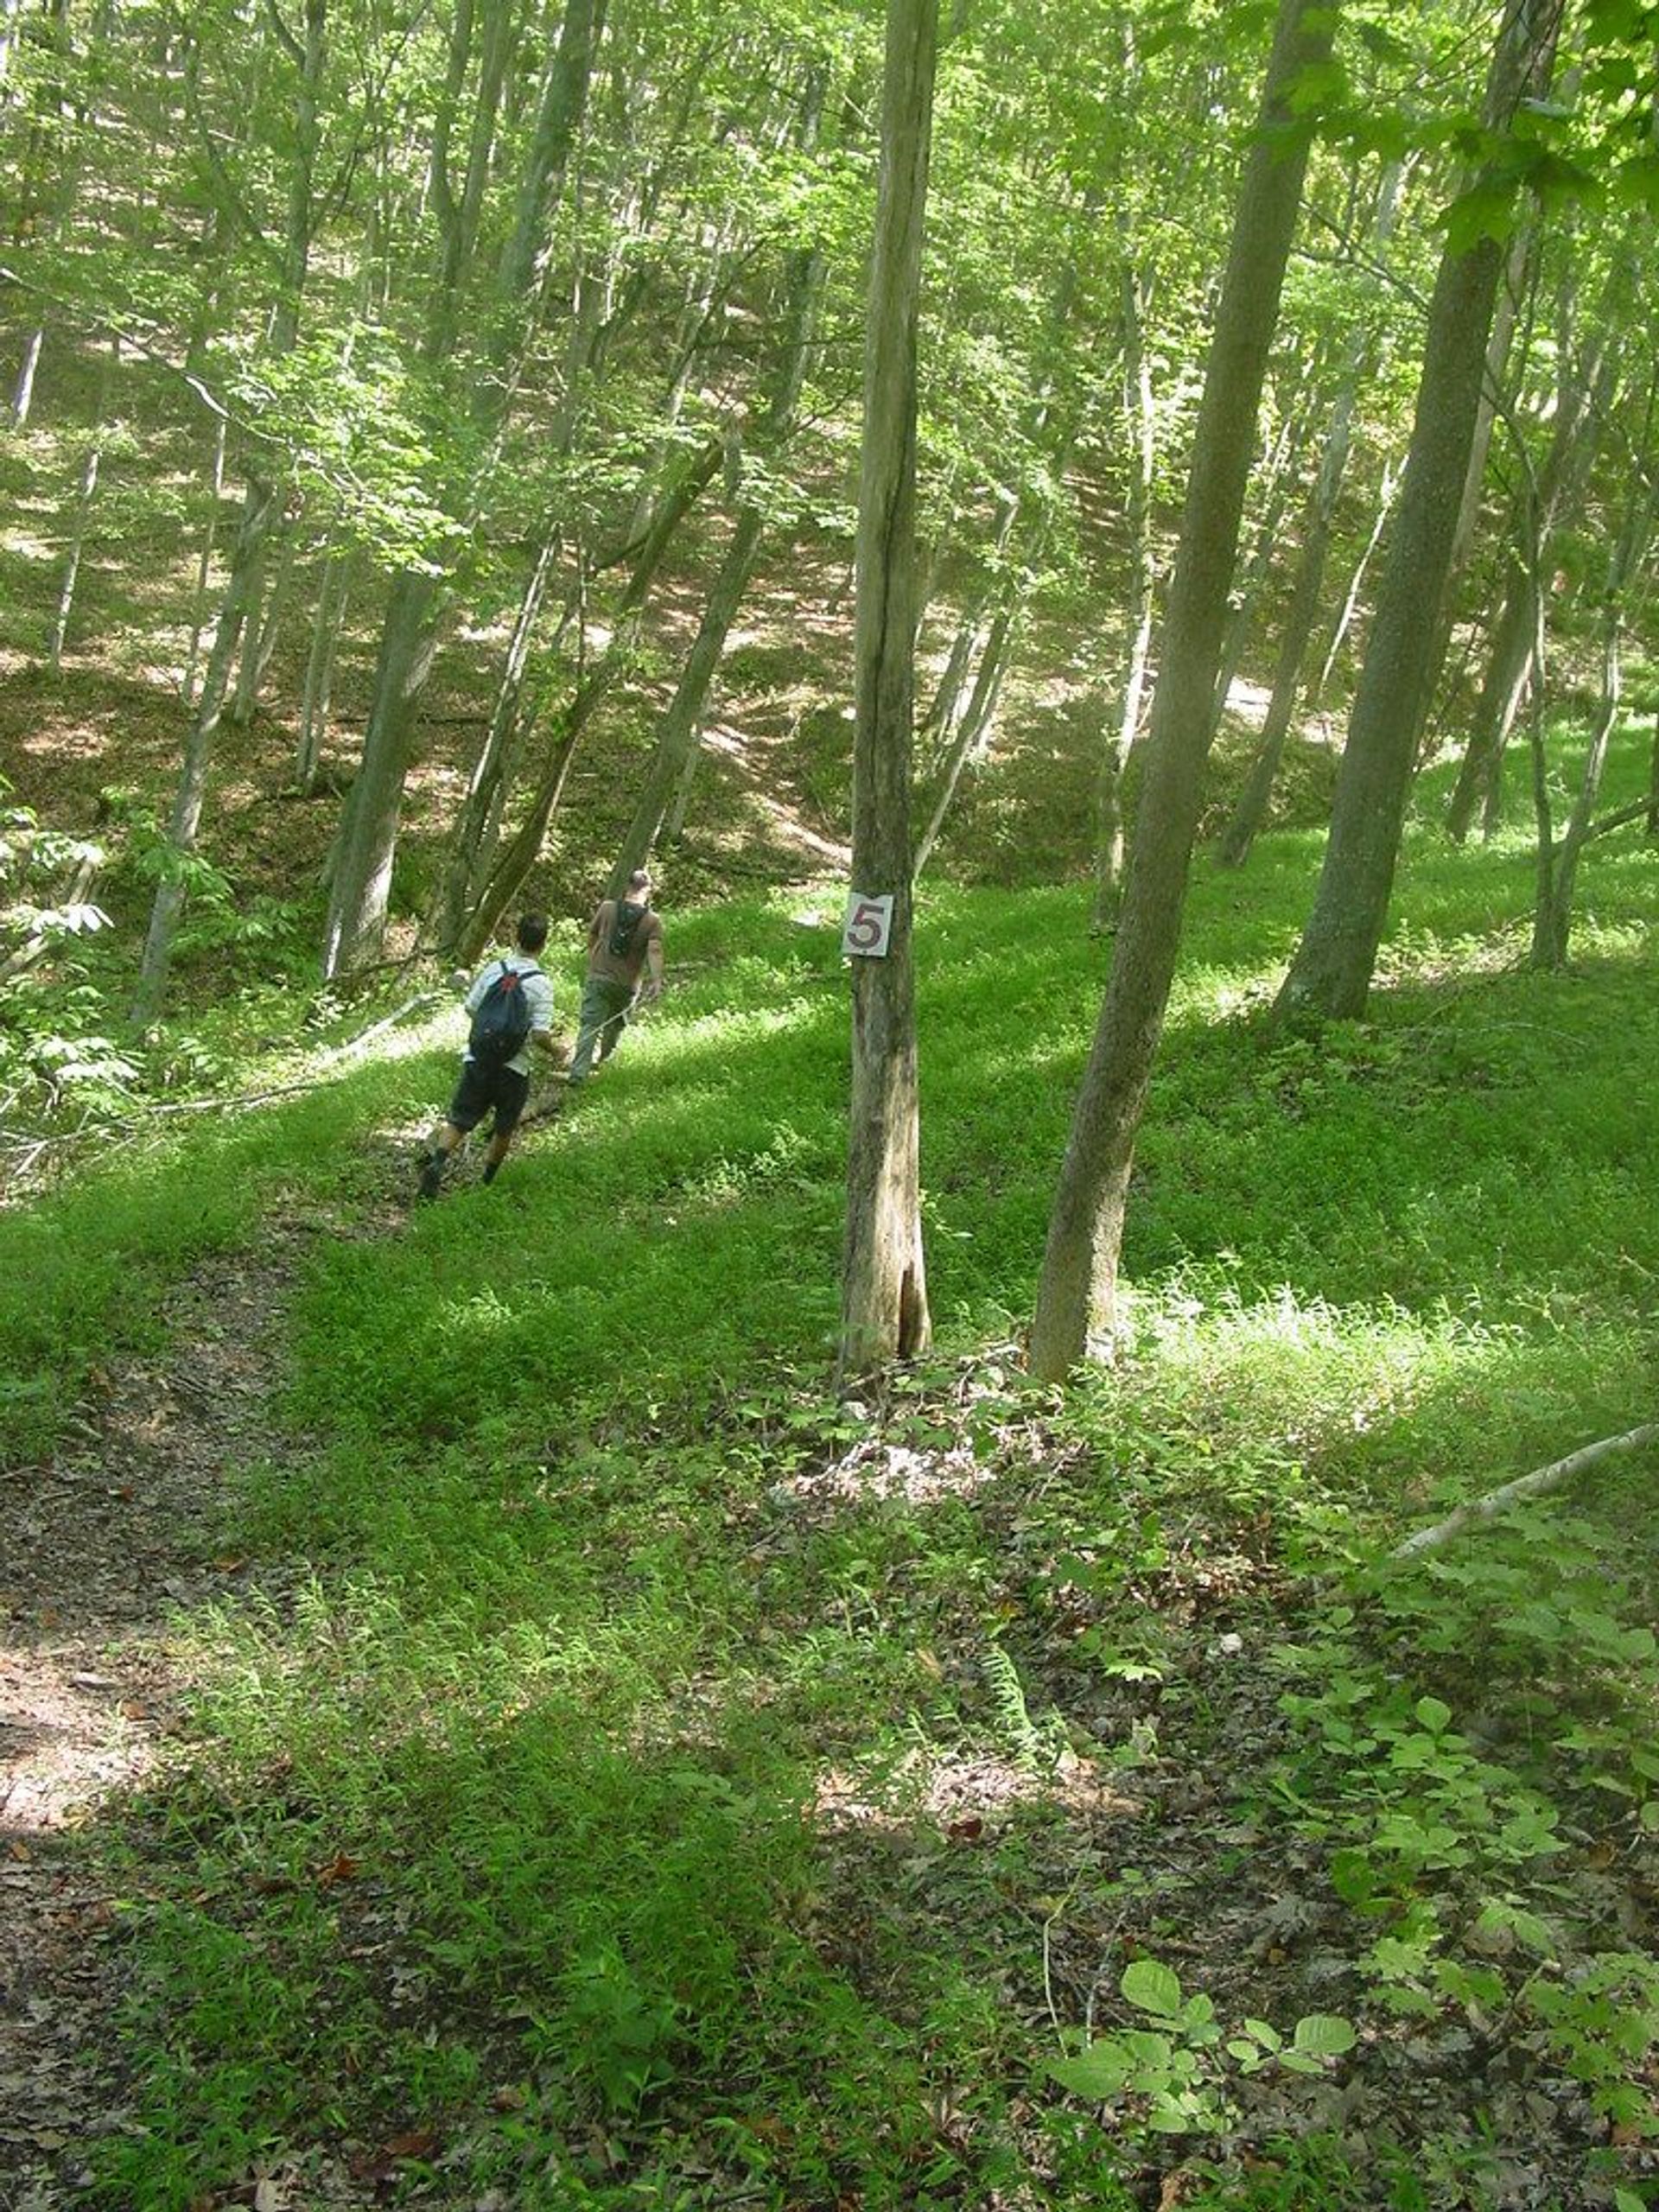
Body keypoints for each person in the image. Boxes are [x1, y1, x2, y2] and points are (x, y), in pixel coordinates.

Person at [420, 914, 562, 1197]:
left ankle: (438, 1163)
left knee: (460, 1119)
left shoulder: (494, 969)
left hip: (479, 1058)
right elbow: (540, 1034)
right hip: (515, 1067)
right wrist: (556, 1052)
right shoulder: (541, 984)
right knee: (504, 1127)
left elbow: (471, 1008)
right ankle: (486, 1182)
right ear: (543, 945)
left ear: (515, 938)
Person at [567, 868, 664, 1090]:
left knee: (590, 1024)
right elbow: (655, 950)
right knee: (615, 1026)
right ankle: (603, 1067)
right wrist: (657, 980)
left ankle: (578, 1073)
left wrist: (593, 958)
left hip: (599, 977)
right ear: (648, 891)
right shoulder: (652, 920)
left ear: (627, 886)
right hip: (628, 984)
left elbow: (592, 935)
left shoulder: (607, 908)